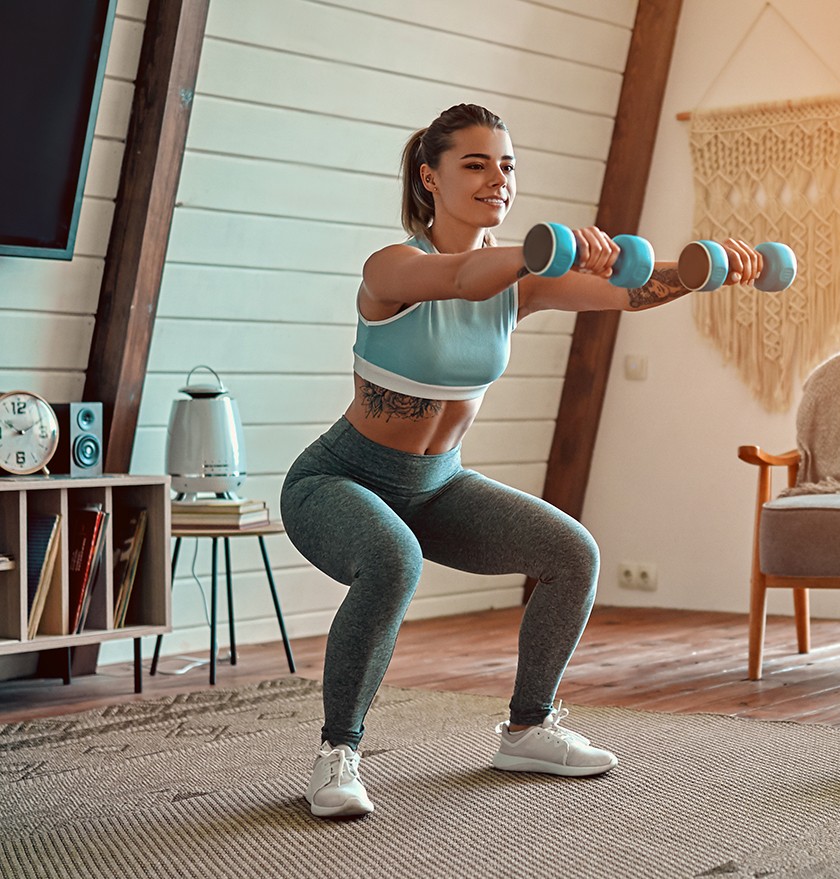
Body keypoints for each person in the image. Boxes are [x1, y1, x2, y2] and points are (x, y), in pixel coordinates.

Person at [280, 103, 764, 818]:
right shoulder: (392, 267)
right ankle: (337, 756)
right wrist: (549, 248)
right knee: (394, 560)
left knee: (571, 552)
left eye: (506, 165)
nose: (496, 177)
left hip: (437, 486)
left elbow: (630, 290)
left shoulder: (523, 278)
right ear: (429, 176)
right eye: (474, 163)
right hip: (338, 480)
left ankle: (530, 727)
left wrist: (705, 269)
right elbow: (463, 277)